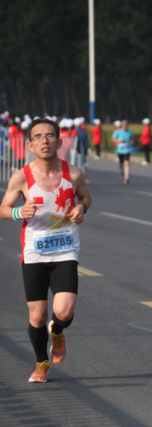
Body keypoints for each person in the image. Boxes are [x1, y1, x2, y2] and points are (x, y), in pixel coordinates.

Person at [0, 118, 92, 383]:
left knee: (63, 312)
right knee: (37, 316)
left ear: (59, 142)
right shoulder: (21, 177)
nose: (45, 140)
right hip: (34, 254)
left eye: (50, 135)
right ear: (30, 145)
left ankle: (59, 330)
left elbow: (85, 196)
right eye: (38, 137)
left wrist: (81, 208)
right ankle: (41, 361)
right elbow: (3, 209)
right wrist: (19, 211)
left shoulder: (73, 174)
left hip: (65, 250)